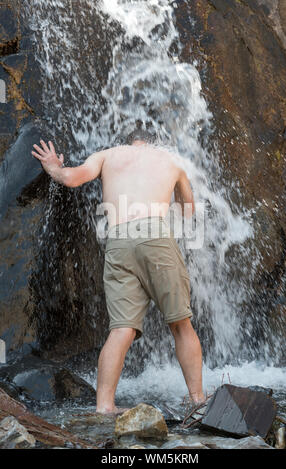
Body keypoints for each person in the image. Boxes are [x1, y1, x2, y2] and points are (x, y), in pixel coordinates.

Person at [32, 129, 205, 415]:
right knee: (180, 324)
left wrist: (53, 166)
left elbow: (71, 178)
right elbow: (189, 212)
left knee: (121, 329)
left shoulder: (107, 156)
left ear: (128, 142)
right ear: (152, 143)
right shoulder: (172, 161)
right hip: (155, 235)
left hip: (119, 239)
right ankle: (198, 401)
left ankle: (104, 407)